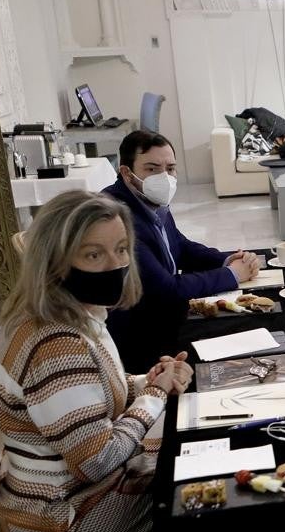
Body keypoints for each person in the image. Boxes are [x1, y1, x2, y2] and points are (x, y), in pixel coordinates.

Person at [0, 191, 193, 532]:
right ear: (55, 261)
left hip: (67, 499)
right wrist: (153, 394)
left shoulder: (60, 314)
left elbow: (84, 396)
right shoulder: (55, 342)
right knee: (213, 501)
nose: (114, 264)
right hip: (68, 520)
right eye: (93, 254)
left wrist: (143, 381)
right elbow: (97, 461)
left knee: (199, 454)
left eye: (121, 249)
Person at [103, 131, 260, 371]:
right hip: (141, 341)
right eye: (152, 169)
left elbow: (180, 246)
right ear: (126, 173)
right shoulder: (118, 219)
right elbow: (167, 290)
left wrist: (228, 259)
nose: (164, 177)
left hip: (166, 319)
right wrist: (232, 275)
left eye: (171, 168)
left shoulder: (147, 199)